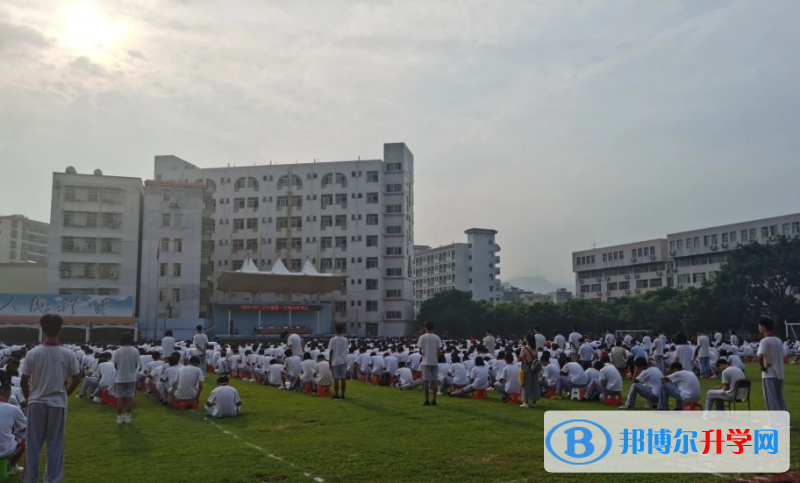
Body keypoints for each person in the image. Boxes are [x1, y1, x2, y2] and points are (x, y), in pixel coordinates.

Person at [20, 314, 81, 483]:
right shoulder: (68, 354)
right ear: (61, 330)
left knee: (32, 446)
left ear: (42, 329)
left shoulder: (33, 353)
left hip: (36, 402)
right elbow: (76, 378)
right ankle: (52, 480)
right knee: (55, 446)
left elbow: (24, 380)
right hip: (57, 403)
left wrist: (29, 398)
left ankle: (30, 480)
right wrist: (65, 394)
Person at [756, 316, 789, 427]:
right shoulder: (778, 340)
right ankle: (786, 422)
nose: (759, 328)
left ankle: (775, 422)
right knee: (780, 398)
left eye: (760, 326)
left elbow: (760, 355)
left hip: (769, 373)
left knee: (771, 399)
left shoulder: (765, 341)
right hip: (779, 372)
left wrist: (763, 367)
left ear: (764, 327)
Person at [112, 332, 140, 425]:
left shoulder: (118, 351)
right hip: (131, 377)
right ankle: (128, 417)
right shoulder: (135, 350)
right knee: (129, 398)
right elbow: (137, 364)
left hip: (120, 377)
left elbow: (115, 364)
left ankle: (119, 418)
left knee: (119, 398)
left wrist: (119, 370)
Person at [0, 384, 26, 475]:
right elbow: (25, 427)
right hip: (6, 450)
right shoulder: (14, 409)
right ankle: (12, 466)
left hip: (5, 448)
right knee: (26, 432)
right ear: (8, 395)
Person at [417, 321, 443, 406]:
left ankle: (427, 400)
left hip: (426, 361)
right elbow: (439, 351)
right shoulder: (437, 337)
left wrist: (424, 354)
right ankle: (434, 400)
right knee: (435, 381)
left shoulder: (422, 337)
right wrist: (435, 355)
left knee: (426, 381)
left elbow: (420, 351)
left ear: (425, 327)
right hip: (434, 361)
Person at [518, 334, 540, 408]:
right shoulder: (535, 349)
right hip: (534, 367)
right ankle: (534, 401)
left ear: (527, 340)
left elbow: (520, 358)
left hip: (526, 367)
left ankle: (526, 402)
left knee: (526, 384)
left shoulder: (524, 348)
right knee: (534, 384)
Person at [327, 323, 349, 400]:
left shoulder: (332, 340)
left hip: (335, 361)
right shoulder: (345, 340)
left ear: (335, 330)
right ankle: (343, 395)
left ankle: (336, 394)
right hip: (343, 360)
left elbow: (331, 351)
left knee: (336, 379)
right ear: (343, 330)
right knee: (343, 379)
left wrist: (330, 362)